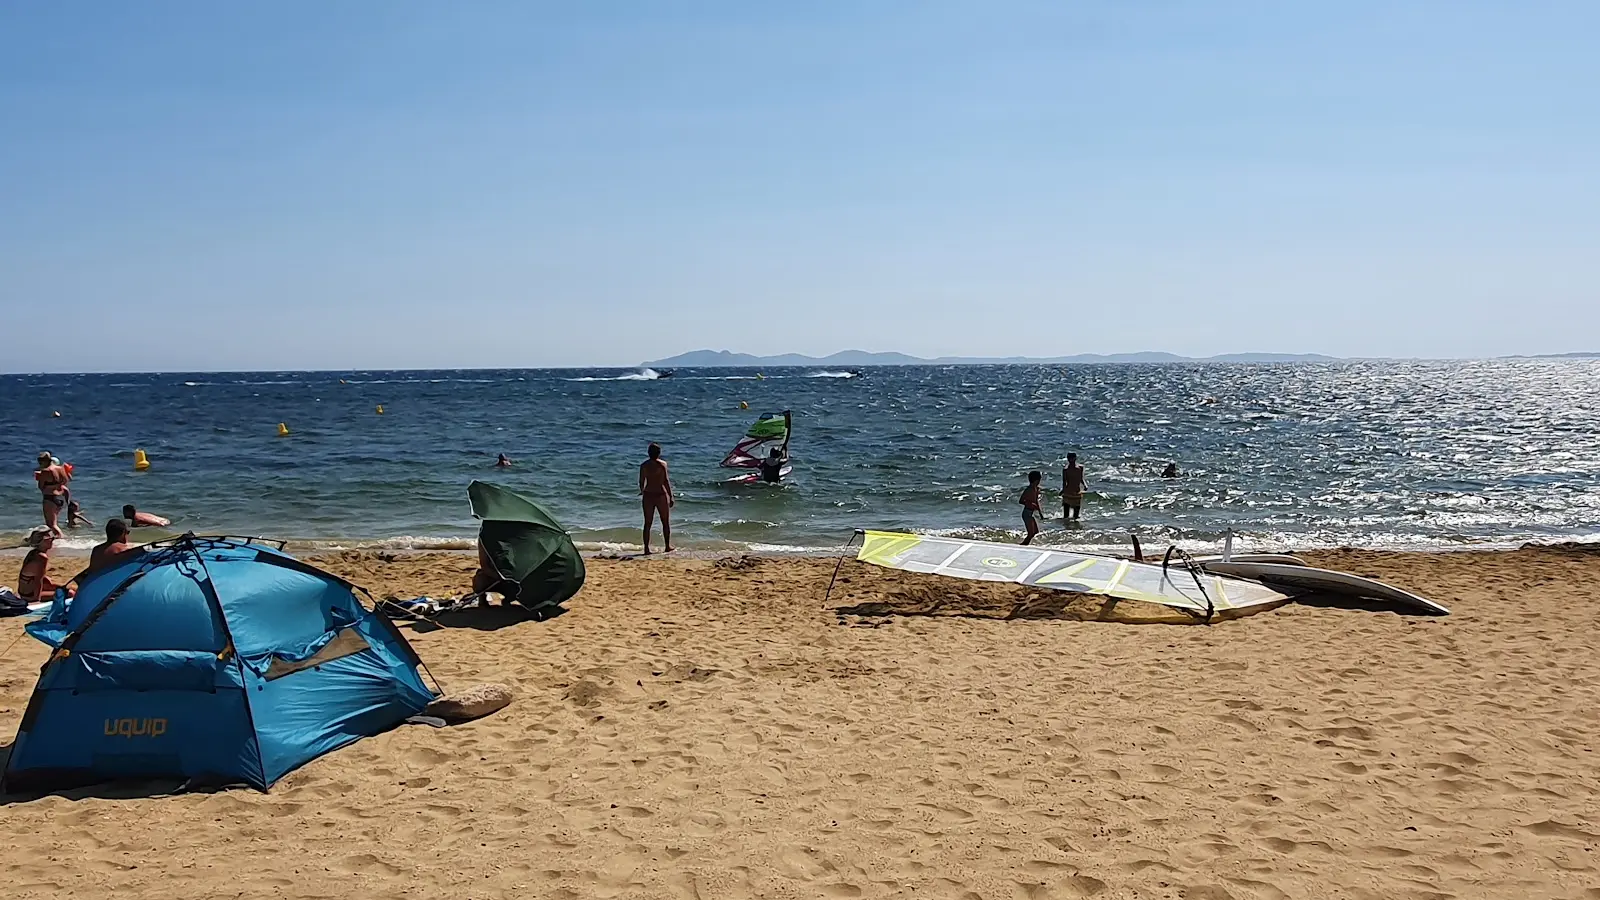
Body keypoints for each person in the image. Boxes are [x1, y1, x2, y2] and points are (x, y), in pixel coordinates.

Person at [17, 527, 71, 604]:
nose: (53, 540)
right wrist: (36, 600)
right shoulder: (41, 557)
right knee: (70, 593)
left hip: (24, 591)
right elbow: (38, 581)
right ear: (41, 541)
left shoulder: (33, 553)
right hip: (30, 595)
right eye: (50, 538)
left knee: (66, 587)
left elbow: (34, 575)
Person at [639, 442, 674, 554]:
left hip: (648, 494)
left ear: (648, 453)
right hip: (660, 495)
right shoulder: (662, 464)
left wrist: (642, 491)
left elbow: (641, 481)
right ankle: (667, 546)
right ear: (659, 453)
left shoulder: (644, 465)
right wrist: (671, 496)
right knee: (665, 522)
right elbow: (666, 481)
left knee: (647, 523)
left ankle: (646, 548)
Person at [35, 451, 71, 536]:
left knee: (51, 524)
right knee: (54, 522)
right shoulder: (60, 468)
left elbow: (41, 486)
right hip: (60, 497)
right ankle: (56, 539)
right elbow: (65, 481)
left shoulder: (46, 471)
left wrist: (40, 478)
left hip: (50, 497)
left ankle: (62, 540)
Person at [758, 410, 793, 484]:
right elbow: (786, 458)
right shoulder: (779, 462)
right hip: (775, 482)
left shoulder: (765, 461)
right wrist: (785, 448)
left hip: (765, 481)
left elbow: (759, 465)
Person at [1020, 470, 1043, 545]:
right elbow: (1021, 500)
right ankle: (1022, 546)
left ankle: (1025, 544)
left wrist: (1040, 513)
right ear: (1036, 480)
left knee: (1035, 532)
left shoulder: (1036, 489)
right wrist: (1029, 503)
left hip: (1031, 514)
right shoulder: (1028, 489)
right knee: (1030, 533)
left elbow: (1036, 501)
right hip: (1026, 513)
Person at [1062, 452, 1086, 522]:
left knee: (1076, 516)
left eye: (1072, 458)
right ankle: (1066, 530)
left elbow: (1081, 478)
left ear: (1075, 458)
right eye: (1069, 459)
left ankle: (1075, 531)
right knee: (1066, 516)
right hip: (1067, 493)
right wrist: (1063, 490)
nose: (1071, 460)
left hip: (1077, 493)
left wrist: (1085, 485)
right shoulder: (1065, 469)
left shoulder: (1080, 468)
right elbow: (1064, 481)